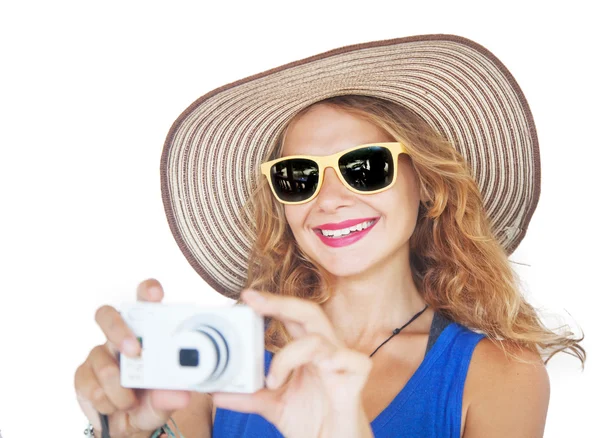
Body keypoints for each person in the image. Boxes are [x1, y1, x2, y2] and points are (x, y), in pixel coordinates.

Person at [74, 35, 586, 437]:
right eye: (299, 175)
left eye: (364, 166)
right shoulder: (220, 357)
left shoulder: (500, 375)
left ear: (426, 182)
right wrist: (125, 433)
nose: (329, 198)